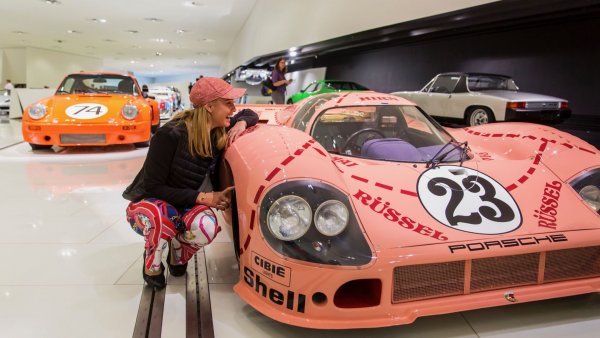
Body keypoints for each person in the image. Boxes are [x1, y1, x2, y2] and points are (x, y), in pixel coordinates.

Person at [122, 77, 259, 289]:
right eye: (228, 103)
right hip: (148, 206)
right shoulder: (169, 135)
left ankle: (177, 253)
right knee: (162, 217)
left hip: (182, 205)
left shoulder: (217, 129)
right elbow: (153, 187)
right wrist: (204, 197)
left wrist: (241, 122)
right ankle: (152, 263)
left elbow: (250, 114)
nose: (233, 108)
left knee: (206, 226)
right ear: (210, 106)